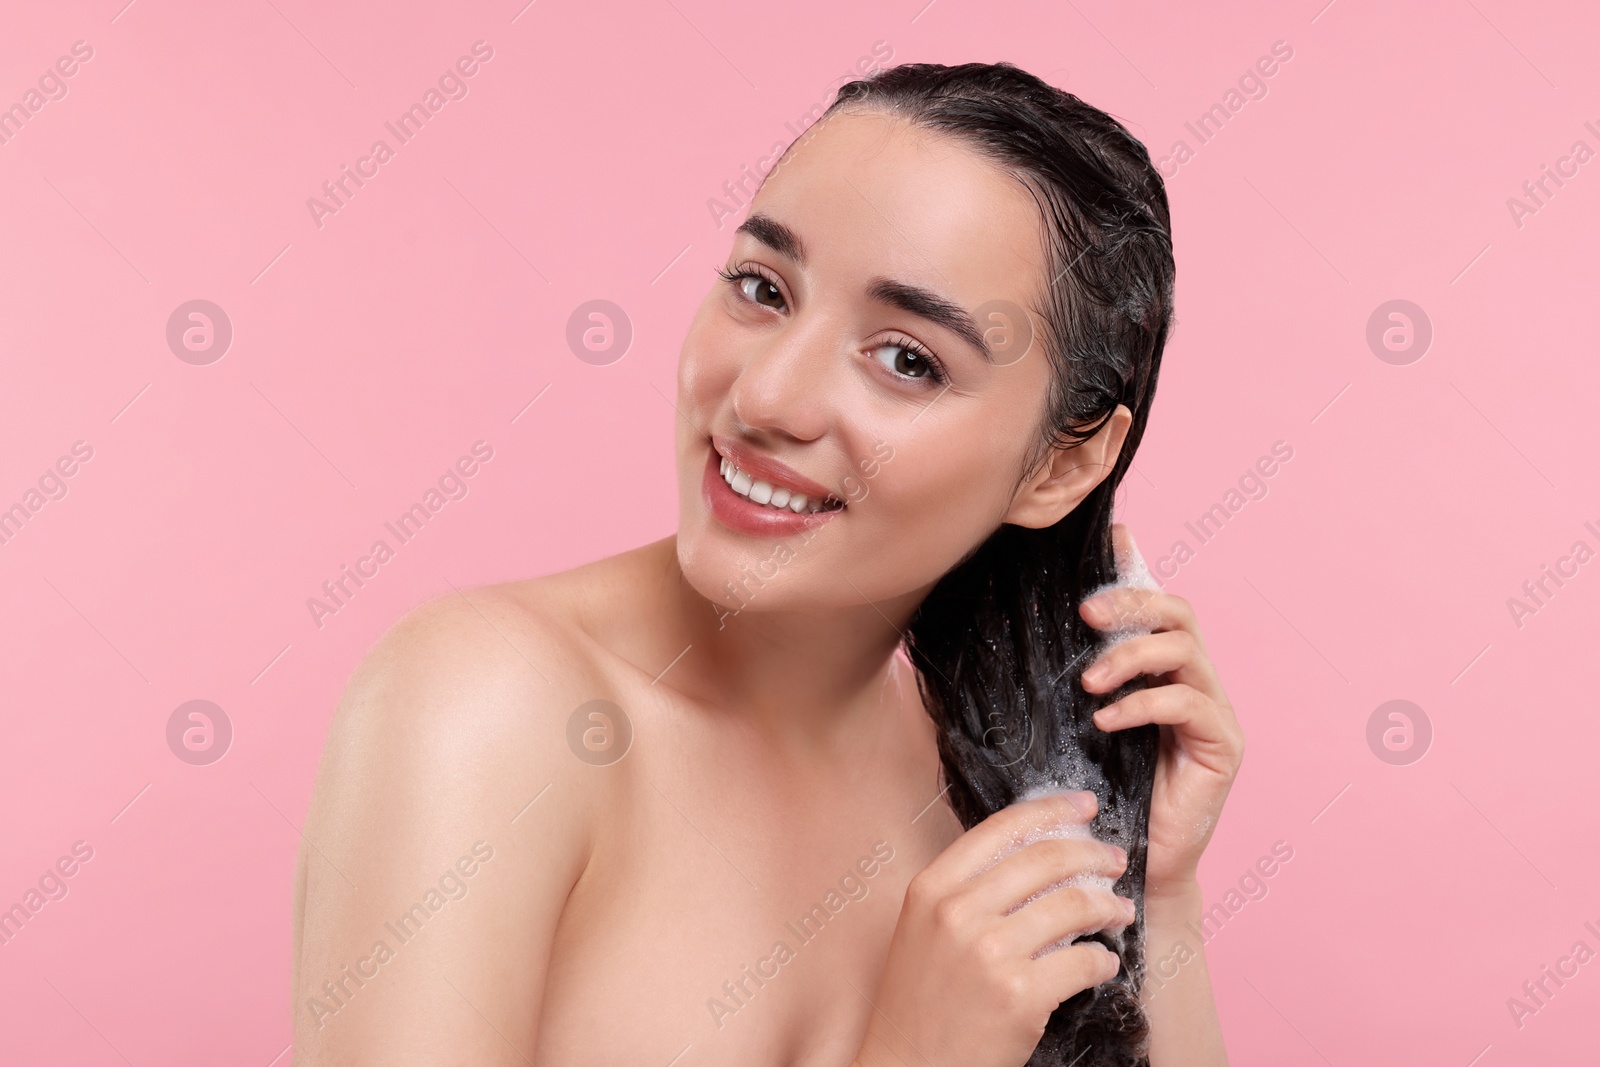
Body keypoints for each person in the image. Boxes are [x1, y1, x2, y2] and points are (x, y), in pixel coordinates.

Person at [291, 61, 1244, 1067]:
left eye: (906, 358)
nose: (766, 396)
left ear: (1061, 463)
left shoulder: (981, 791)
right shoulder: (487, 706)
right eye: (763, 288)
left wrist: (1157, 887)